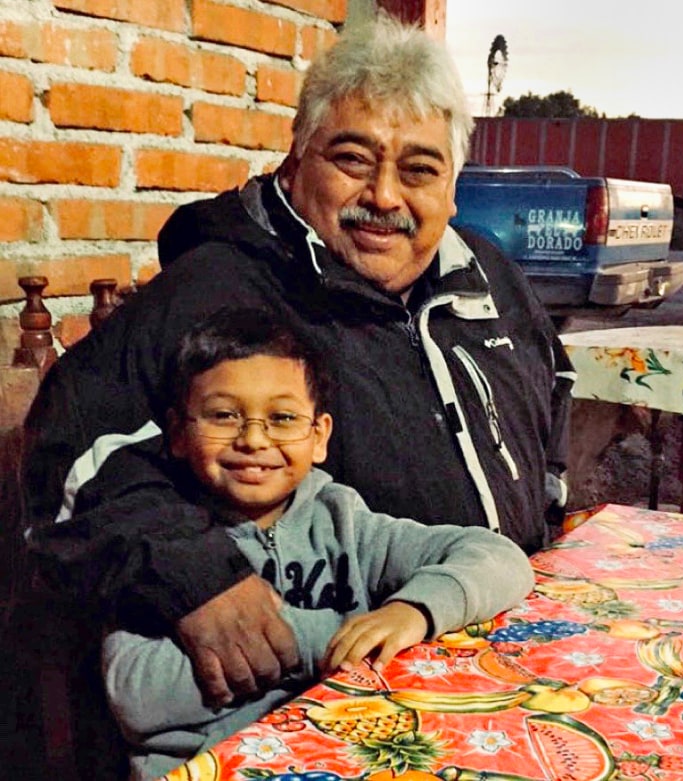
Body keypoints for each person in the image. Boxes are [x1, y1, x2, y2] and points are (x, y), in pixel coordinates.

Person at [22, 11, 574, 716]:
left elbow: (553, 381)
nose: (384, 196)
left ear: (453, 187)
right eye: (352, 159)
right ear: (295, 161)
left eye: (419, 170)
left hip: (497, 634)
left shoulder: (487, 272)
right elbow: (65, 455)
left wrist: (547, 517)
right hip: (328, 699)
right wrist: (194, 576)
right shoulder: (220, 288)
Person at [101, 306, 535, 780]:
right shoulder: (160, 542)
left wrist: (413, 611)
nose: (253, 439)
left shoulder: (342, 520)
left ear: (319, 436)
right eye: (223, 415)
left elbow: (498, 557)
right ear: (179, 434)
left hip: (345, 755)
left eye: (283, 417)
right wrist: (326, 638)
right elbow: (135, 695)